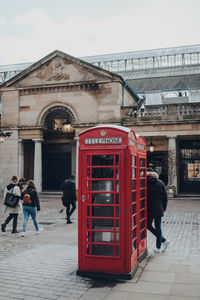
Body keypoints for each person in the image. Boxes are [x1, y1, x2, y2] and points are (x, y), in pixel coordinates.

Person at [147, 168, 169, 253]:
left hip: (148, 209)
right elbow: (165, 198)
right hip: (158, 208)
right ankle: (159, 246)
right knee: (158, 227)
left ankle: (163, 241)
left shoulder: (143, 183)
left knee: (148, 225)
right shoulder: (160, 183)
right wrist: (163, 208)